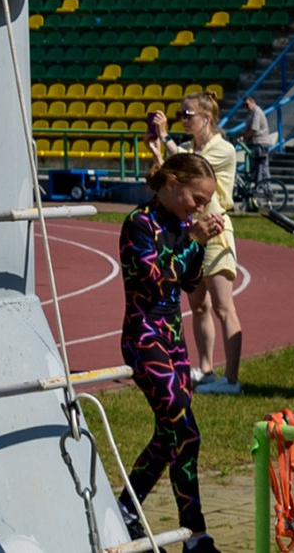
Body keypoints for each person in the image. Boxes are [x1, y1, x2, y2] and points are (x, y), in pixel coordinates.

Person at [116, 151, 227, 552]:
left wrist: (198, 243)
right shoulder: (138, 224)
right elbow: (156, 282)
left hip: (174, 340)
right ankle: (195, 533)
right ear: (173, 182)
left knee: (172, 435)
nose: (199, 207)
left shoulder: (180, 224)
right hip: (144, 338)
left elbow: (190, 280)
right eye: (196, 198)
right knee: (186, 431)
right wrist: (192, 240)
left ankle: (128, 510)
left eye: (204, 202)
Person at [146, 91, 242, 394]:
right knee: (199, 306)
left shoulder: (222, 149)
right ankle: (206, 369)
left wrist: (165, 139)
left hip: (215, 229)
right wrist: (157, 154)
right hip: (193, 229)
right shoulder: (186, 148)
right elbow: (171, 179)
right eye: (180, 114)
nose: (183, 120)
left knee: (224, 308)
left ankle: (233, 380)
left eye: (188, 115)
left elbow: (192, 169)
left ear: (207, 118)